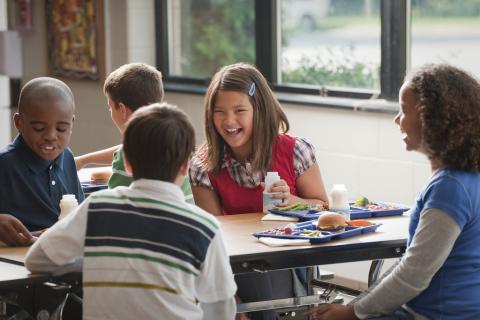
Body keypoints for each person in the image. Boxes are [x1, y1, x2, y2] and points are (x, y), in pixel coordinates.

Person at [25, 103, 237, 320]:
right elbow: (221, 309)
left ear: (126, 163)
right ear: (186, 165)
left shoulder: (98, 207)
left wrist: (99, 259)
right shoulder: (204, 227)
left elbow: (36, 260)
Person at [306, 64, 480, 320]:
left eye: (404, 110)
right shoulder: (466, 177)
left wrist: (351, 313)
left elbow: (413, 274)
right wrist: (356, 306)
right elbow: (411, 263)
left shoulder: (449, 188)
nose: (396, 119)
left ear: (431, 119)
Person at [189, 63, 329, 320]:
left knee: (260, 275)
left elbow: (323, 206)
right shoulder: (203, 165)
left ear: (259, 110)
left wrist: (294, 202)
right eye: (219, 112)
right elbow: (209, 236)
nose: (229, 121)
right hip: (229, 267)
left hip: (285, 262)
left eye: (239, 110)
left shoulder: (295, 151)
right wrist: (228, 298)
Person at [74, 62, 194, 203]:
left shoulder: (124, 157)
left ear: (122, 109)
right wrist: (84, 160)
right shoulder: (174, 143)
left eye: (110, 108)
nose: (110, 113)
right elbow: (123, 149)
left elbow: (114, 209)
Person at [0, 77, 84, 246]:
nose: (51, 136)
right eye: (39, 128)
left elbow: (80, 214)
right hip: (18, 261)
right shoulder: (5, 164)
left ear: (71, 124)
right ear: (19, 123)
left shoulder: (66, 156)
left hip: (62, 252)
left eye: (61, 128)